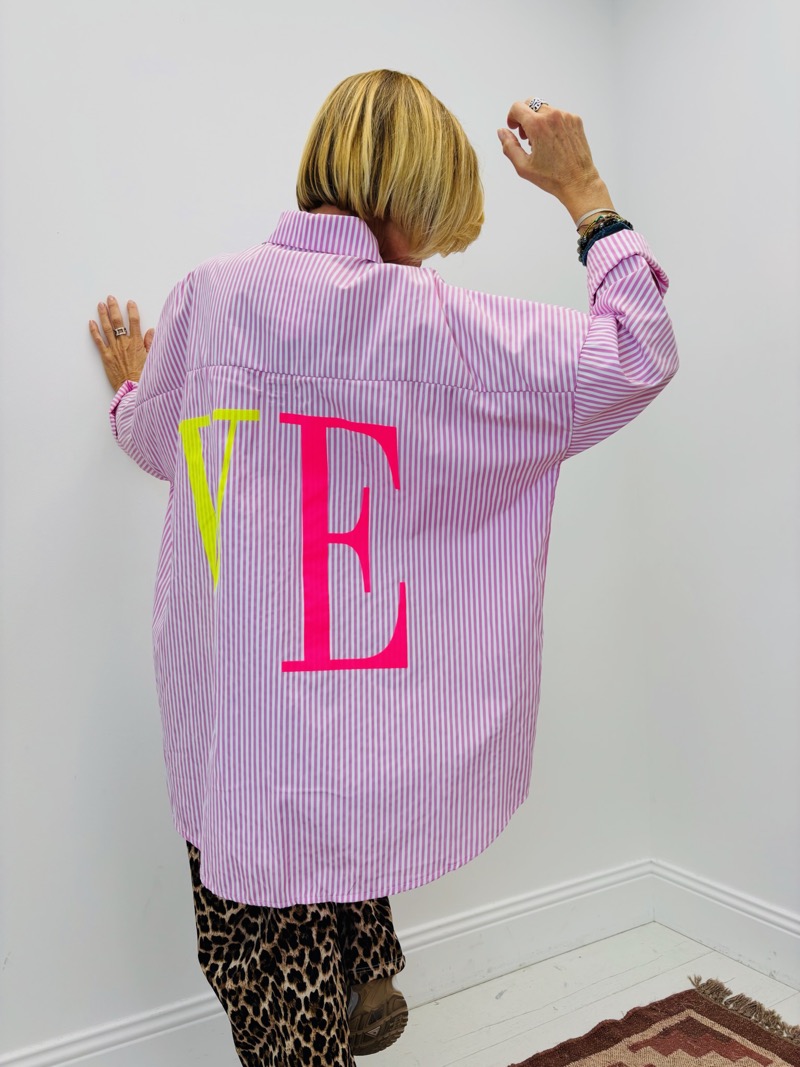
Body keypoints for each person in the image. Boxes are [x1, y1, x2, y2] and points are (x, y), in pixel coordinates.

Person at [88, 70, 678, 1067]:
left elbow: (158, 440)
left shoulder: (208, 297)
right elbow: (636, 353)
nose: (431, 253)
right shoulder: (438, 323)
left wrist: (130, 390)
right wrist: (586, 196)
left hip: (244, 727)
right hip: (358, 732)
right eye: (436, 227)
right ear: (411, 196)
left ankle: (335, 996)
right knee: (340, 817)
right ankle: (364, 967)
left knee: (258, 945)